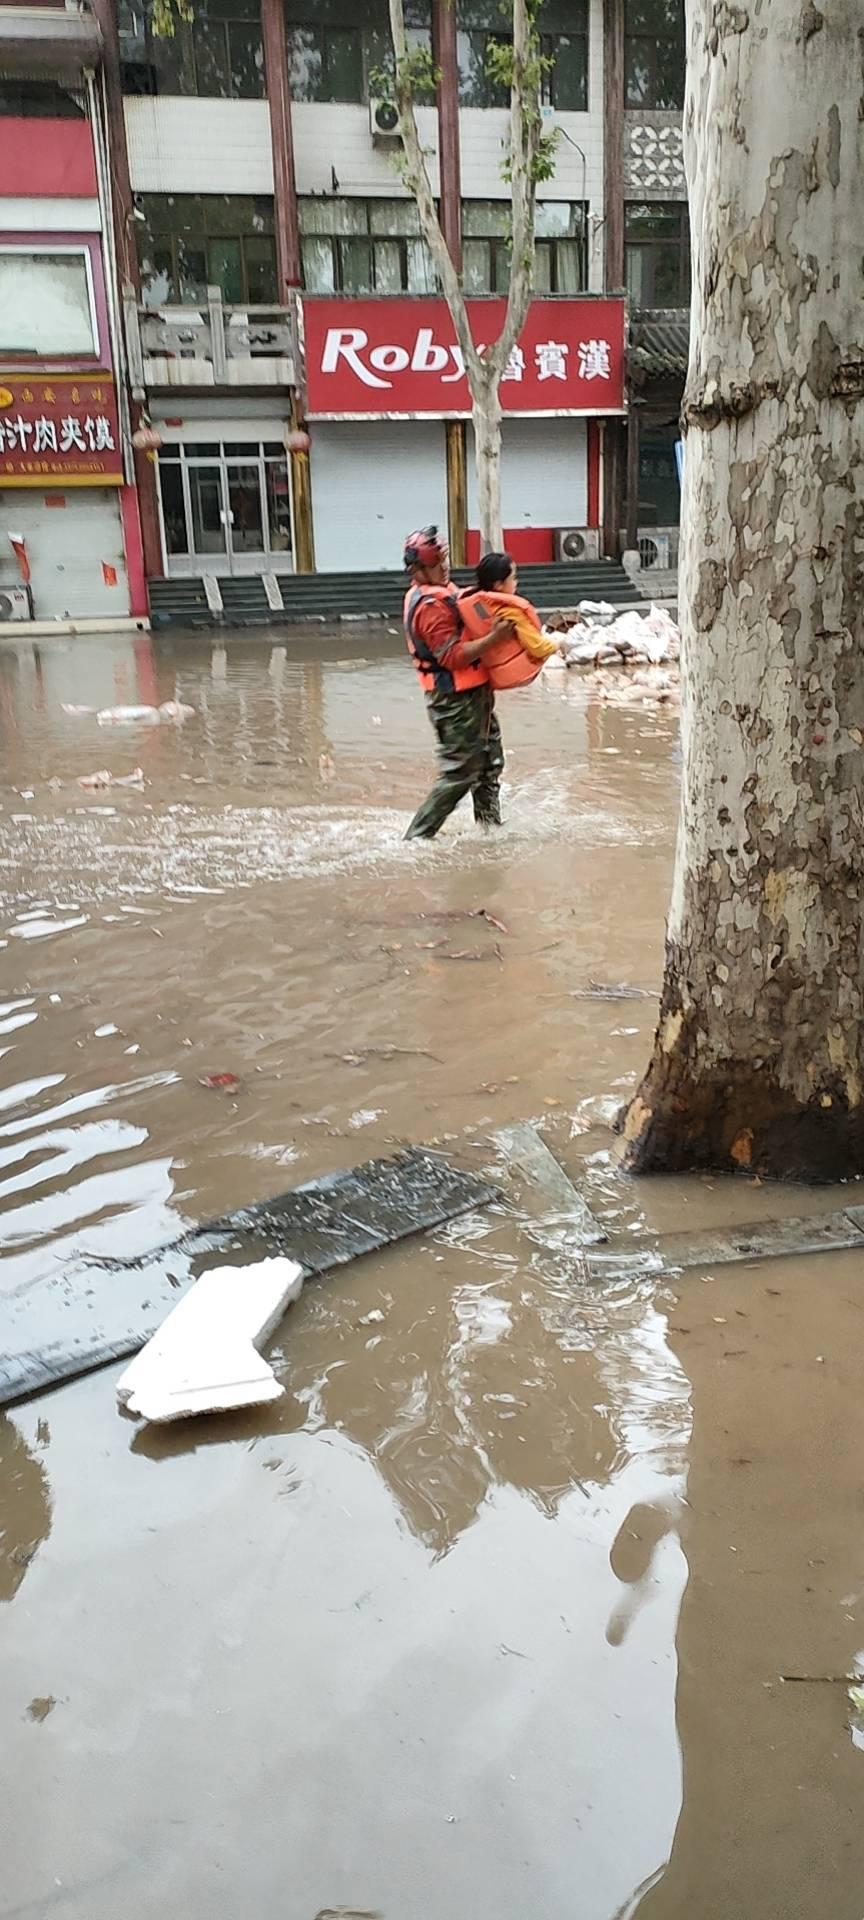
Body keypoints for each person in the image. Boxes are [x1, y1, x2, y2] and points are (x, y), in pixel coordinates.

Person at [402, 525, 514, 841]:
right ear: (419, 569)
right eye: (438, 563)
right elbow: (452, 656)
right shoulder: (430, 607)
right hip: (454, 701)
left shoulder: (444, 591)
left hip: (475, 695)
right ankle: (418, 838)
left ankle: (490, 830)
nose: (445, 566)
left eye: (445, 559)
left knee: (490, 763)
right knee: (461, 772)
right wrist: (495, 638)